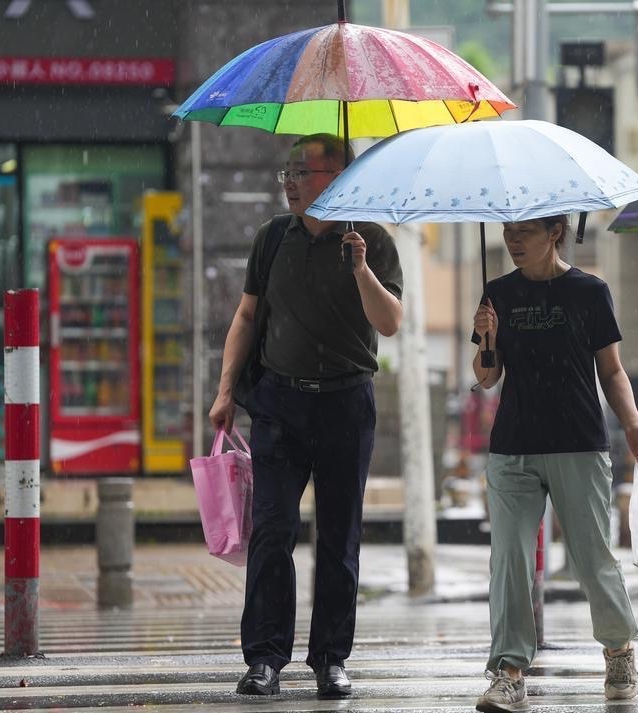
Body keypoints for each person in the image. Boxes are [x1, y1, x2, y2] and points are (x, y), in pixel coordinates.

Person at [208, 134, 403, 698]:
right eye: (287, 173)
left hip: (347, 402)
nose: (290, 183)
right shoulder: (272, 238)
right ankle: (265, 658)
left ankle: (331, 659)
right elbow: (246, 317)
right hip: (280, 403)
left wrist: (361, 268)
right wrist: (225, 392)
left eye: (303, 171)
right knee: (272, 530)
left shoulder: (374, 240)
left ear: (338, 175)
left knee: (340, 536)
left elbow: (389, 323)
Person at [471, 215, 638, 712]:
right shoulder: (497, 293)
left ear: (555, 232)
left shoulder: (589, 292)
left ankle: (618, 650)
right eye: (507, 231)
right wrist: (486, 337)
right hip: (513, 446)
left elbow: (612, 370)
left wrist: (634, 423)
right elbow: (487, 378)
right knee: (509, 559)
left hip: (578, 442)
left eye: (524, 231)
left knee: (591, 558)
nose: (512, 240)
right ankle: (509, 672)